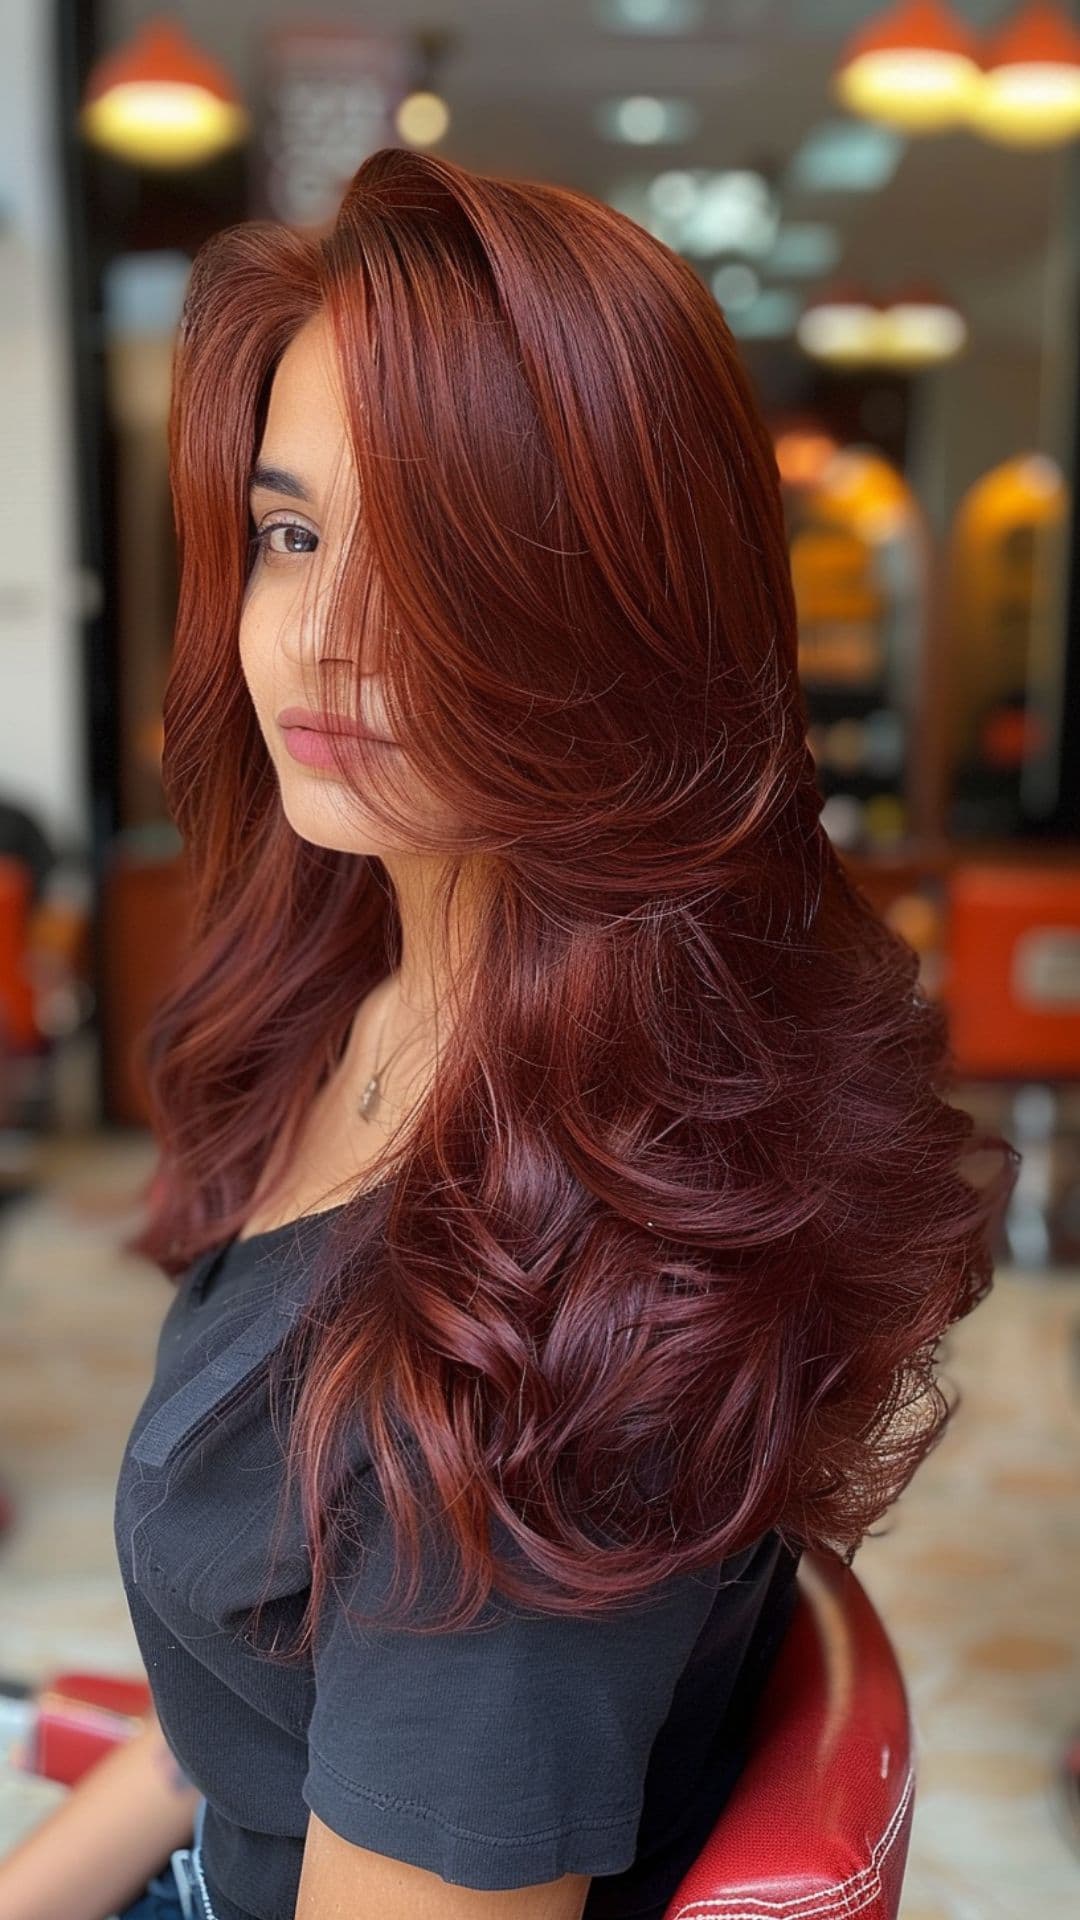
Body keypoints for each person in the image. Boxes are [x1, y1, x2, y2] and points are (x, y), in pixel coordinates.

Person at [0, 145, 1018, 1920]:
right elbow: (229, 1696)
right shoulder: (358, 991)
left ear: (629, 619)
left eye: (450, 561)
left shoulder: (542, 1357)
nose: (320, 640)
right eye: (293, 532)